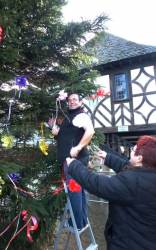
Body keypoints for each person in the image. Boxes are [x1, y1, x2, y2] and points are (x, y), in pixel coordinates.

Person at [66, 135, 156, 250]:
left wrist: (74, 166)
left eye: (133, 150)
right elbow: (127, 167)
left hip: (128, 243)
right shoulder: (148, 175)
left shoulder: (133, 182)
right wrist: (108, 157)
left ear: (139, 158)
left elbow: (98, 184)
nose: (131, 151)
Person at [52, 93, 95, 230]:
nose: (72, 102)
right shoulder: (68, 117)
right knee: (79, 190)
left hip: (74, 162)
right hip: (71, 160)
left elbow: (90, 132)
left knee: (74, 190)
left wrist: (78, 147)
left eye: (75, 99)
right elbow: (65, 137)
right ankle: (81, 220)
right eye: (69, 100)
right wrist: (56, 134)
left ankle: (76, 224)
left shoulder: (81, 115)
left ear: (80, 102)